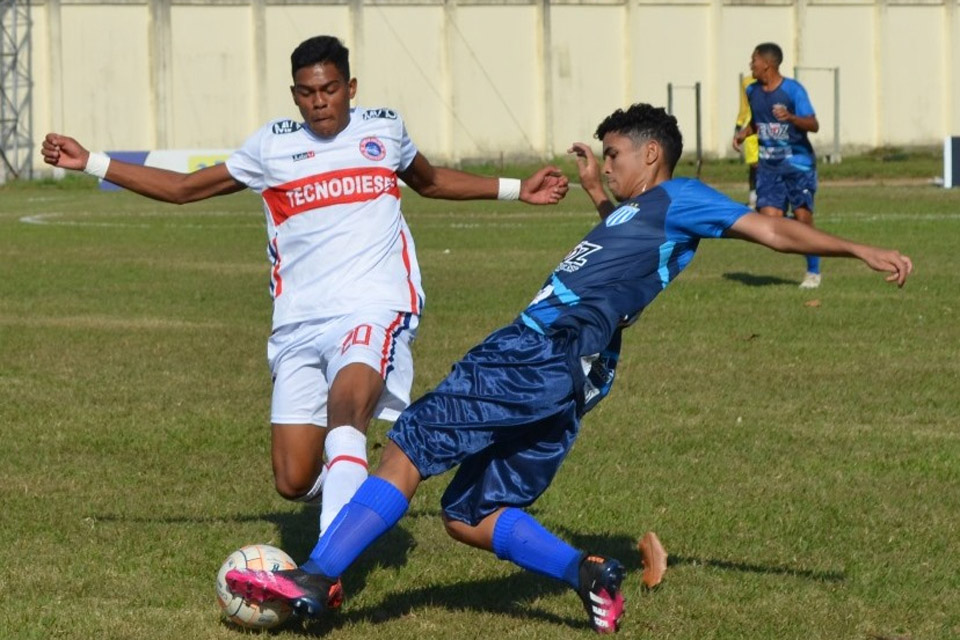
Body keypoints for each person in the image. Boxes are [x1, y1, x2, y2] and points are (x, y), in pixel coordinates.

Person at [225, 103, 912, 634]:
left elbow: (769, 228)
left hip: (538, 349)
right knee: (472, 513)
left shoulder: (684, 197)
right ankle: (590, 573)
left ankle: (314, 579)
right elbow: (632, 248)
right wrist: (595, 193)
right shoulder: (640, 212)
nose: (607, 163)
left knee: (407, 448)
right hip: (577, 372)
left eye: (613, 154)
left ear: (651, 153)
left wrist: (857, 249)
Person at [40, 35, 568, 579]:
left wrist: (513, 189)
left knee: (347, 419)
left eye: (330, 89)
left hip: (374, 307)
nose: (320, 101)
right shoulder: (272, 146)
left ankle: (323, 572)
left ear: (350, 88)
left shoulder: (383, 128)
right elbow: (183, 189)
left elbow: (430, 182)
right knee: (293, 480)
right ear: (295, 95)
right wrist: (93, 162)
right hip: (298, 323)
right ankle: (356, 494)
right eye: (308, 92)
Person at [733, 42, 822, 289]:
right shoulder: (752, 91)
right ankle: (803, 230)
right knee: (768, 218)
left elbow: (813, 124)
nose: (751, 65)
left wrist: (792, 118)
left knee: (804, 219)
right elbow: (758, 122)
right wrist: (744, 133)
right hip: (769, 166)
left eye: (754, 60)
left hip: (798, 165)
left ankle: (813, 271)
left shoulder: (793, 90)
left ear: (767, 65)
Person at [735, 73, 759, 209]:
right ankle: (753, 198)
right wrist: (738, 126)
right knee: (754, 165)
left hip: (765, 127)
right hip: (750, 128)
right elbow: (743, 106)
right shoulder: (747, 82)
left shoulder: (773, 82)